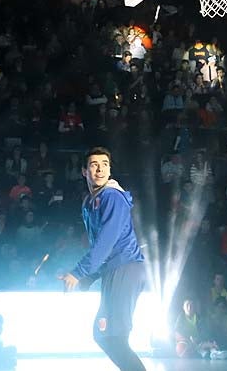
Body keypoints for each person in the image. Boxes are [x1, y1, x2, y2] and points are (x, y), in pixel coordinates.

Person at [58, 147, 146, 371]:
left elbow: (106, 242)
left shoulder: (112, 197)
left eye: (105, 164)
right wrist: (89, 277)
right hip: (115, 270)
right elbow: (102, 247)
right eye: (94, 164)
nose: (100, 169)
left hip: (125, 267)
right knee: (106, 335)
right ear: (84, 171)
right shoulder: (90, 202)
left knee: (111, 335)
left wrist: (79, 272)